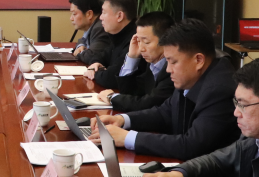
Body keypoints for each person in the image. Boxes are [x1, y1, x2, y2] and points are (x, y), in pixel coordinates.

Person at [92, 19, 239, 160]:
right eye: (167, 61)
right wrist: (122, 119)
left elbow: (192, 145)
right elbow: (165, 113)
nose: (168, 69)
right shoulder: (190, 76)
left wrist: (127, 138)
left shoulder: (219, 90)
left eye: (173, 62)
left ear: (198, 60)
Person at [97, 11, 175, 112]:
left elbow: (149, 103)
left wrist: (111, 97)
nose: (141, 48)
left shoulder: (172, 68)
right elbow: (130, 92)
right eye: (138, 41)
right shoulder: (151, 63)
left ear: (166, 40)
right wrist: (132, 57)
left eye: (146, 42)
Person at [82, 0, 138, 86]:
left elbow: (110, 78)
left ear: (119, 16)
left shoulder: (135, 40)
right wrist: (96, 64)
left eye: (104, 12)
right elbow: (100, 56)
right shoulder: (117, 35)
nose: (100, 17)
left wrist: (96, 72)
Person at [68, 0, 111, 66]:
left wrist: (79, 53)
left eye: (74, 14)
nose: (71, 18)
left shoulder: (100, 28)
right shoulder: (92, 26)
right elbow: (82, 40)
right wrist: (80, 46)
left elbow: (91, 56)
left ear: (89, 14)